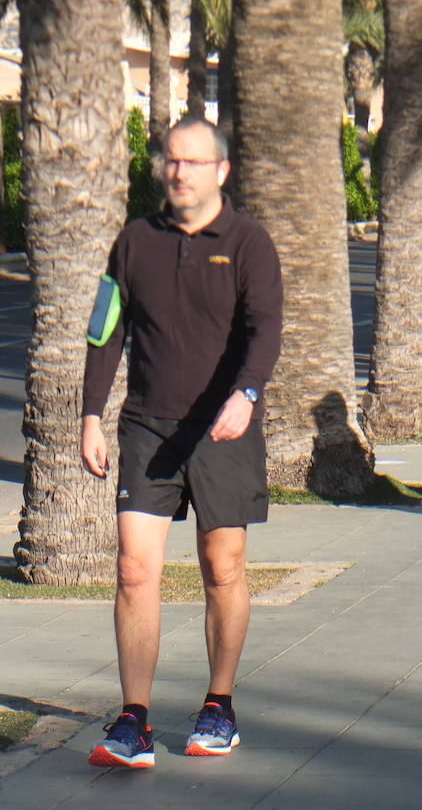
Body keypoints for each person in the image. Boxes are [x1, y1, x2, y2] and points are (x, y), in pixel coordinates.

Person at [80, 117, 284, 768]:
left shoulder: (249, 243)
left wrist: (245, 394)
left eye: (192, 162)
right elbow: (105, 329)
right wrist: (91, 415)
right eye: (170, 159)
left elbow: (265, 330)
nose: (178, 172)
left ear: (220, 170)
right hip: (147, 425)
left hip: (224, 427)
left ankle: (219, 705)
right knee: (134, 569)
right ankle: (133, 721)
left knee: (222, 568)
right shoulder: (134, 242)